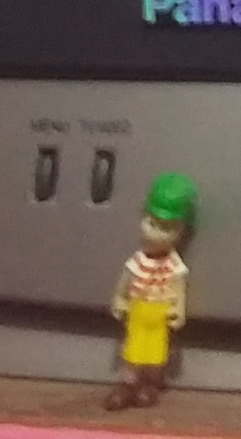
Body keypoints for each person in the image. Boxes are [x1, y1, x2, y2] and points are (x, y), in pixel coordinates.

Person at [106, 172, 196, 409]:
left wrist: (178, 309)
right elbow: (126, 281)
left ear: (180, 232)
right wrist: (119, 299)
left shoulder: (174, 265)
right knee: (133, 351)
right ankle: (127, 384)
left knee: (155, 354)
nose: (154, 233)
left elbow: (178, 287)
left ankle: (149, 385)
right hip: (138, 310)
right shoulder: (138, 260)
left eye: (166, 228)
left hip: (159, 313)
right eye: (152, 224)